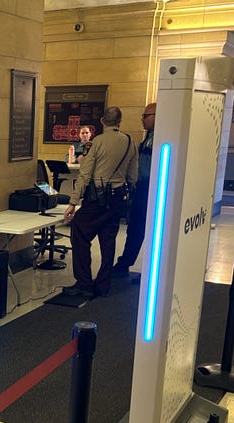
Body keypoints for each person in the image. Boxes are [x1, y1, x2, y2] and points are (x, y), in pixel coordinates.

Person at [62, 107, 138, 299]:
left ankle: (84, 283)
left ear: (103, 121)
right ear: (119, 122)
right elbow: (132, 175)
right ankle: (104, 284)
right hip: (118, 197)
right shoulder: (129, 141)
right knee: (108, 238)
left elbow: (85, 174)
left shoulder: (96, 143)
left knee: (79, 230)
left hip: (98, 197)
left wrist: (73, 202)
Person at [112, 102, 156, 282]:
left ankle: (148, 271)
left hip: (151, 189)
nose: (142, 120)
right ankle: (124, 264)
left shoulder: (162, 137)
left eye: (146, 116)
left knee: (146, 229)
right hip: (141, 188)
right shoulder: (149, 136)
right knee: (135, 228)